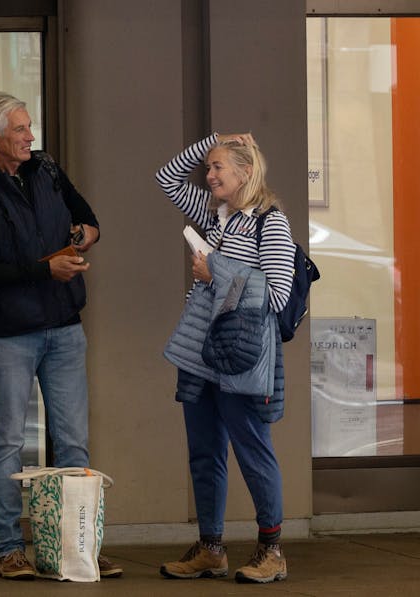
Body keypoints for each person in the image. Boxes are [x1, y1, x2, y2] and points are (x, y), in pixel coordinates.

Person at [0, 91, 121, 581]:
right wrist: (45, 269)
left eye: (29, 127)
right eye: (20, 130)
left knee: (74, 444)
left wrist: (84, 236)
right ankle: (10, 549)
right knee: (7, 442)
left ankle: (77, 549)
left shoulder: (46, 169)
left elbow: (87, 217)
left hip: (65, 326)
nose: (30, 136)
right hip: (11, 334)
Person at [154, 132, 291, 585]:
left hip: (243, 355)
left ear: (246, 173)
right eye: (209, 167)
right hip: (201, 351)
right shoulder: (216, 214)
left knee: (253, 450)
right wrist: (215, 139)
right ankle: (211, 549)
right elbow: (167, 178)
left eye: (218, 167)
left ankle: (271, 550)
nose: (208, 175)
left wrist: (216, 271)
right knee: (204, 451)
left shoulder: (269, 222)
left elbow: (276, 294)